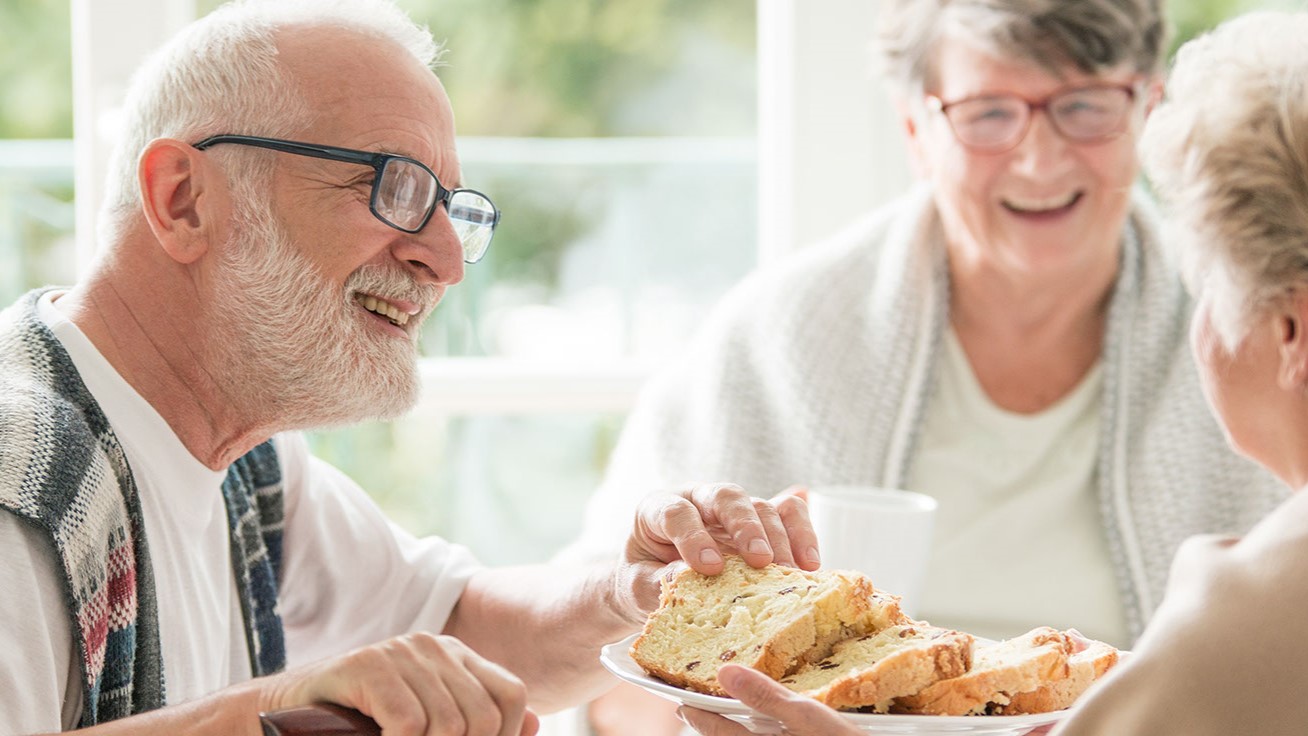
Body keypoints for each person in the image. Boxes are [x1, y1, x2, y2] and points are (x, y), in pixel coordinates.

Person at [0, 1, 821, 734]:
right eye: (394, 186)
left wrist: (631, 591)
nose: (445, 262)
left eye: (450, 211)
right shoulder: (17, 477)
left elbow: (460, 633)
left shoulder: (248, 458)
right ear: (183, 198)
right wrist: (271, 715)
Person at [565, 0, 1288, 731]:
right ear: (917, 128)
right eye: (988, 113)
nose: (1039, 159)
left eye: (1085, 106)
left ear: (1146, 109)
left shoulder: (1255, 344)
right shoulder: (776, 339)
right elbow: (608, 677)